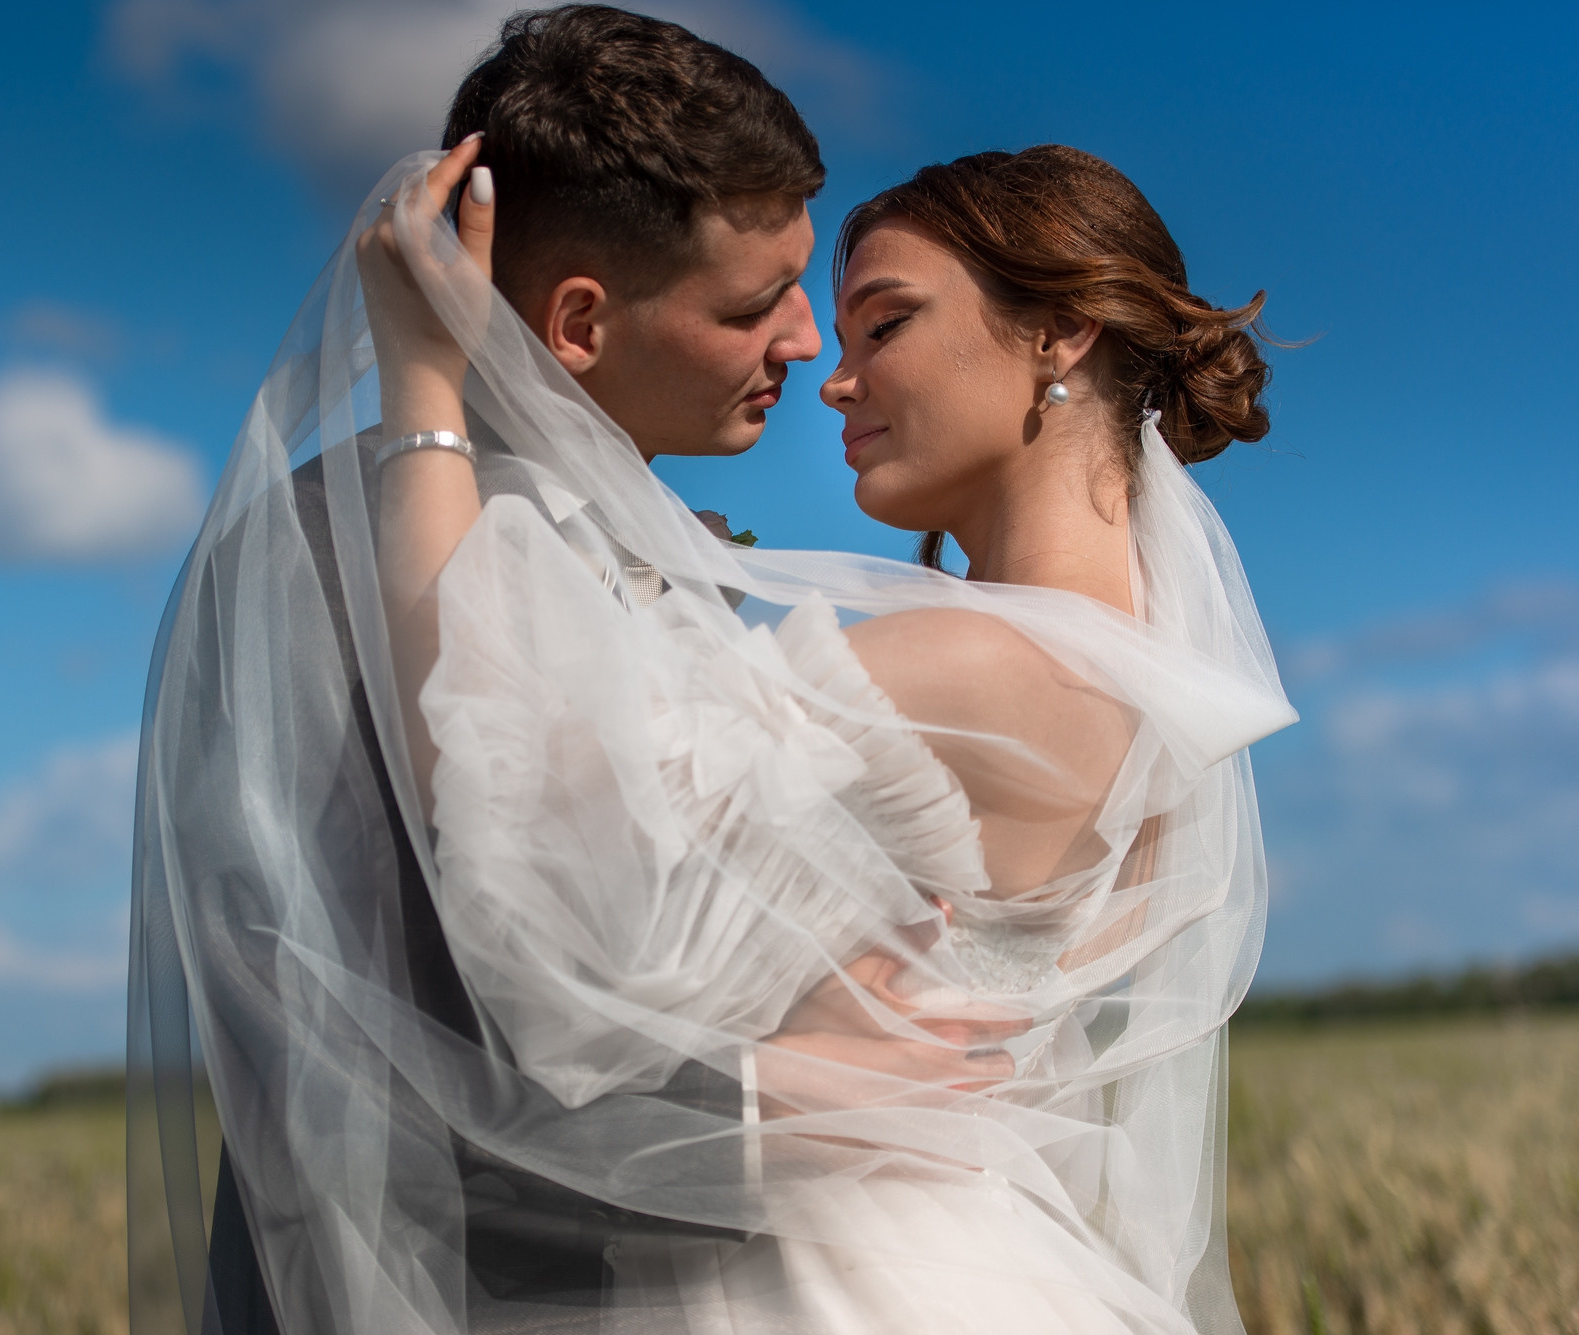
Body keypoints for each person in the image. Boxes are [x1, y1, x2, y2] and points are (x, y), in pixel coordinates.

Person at [134, 10, 1295, 1335]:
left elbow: (550, 858)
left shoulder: (980, 658)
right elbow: (339, 1014)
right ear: (579, 321)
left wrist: (427, 406)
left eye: (876, 321)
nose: (819, 362)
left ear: (1059, 339)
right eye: (768, 306)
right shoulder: (333, 546)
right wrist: (752, 1094)